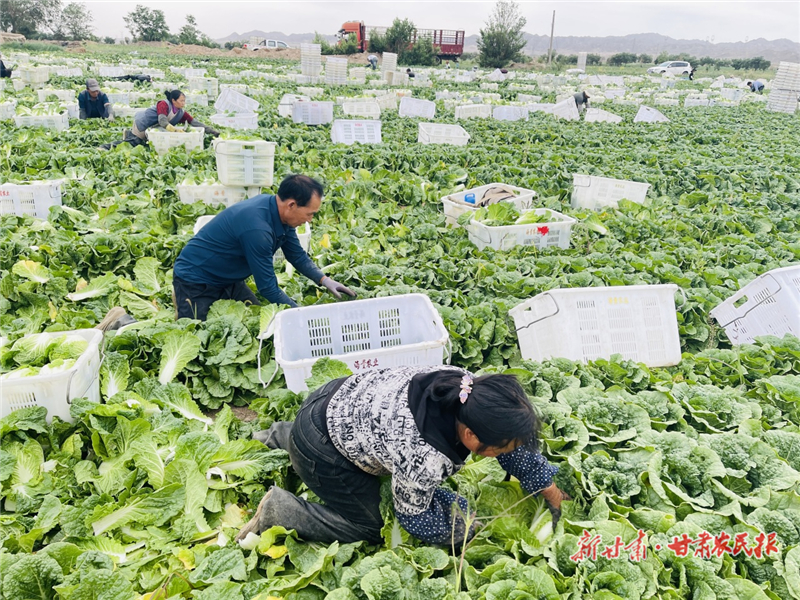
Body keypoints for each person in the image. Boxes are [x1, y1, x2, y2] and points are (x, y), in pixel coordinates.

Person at [236, 367, 569, 546]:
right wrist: (460, 532)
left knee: (320, 431)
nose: (508, 452)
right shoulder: (425, 457)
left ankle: (277, 435)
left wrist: (547, 487)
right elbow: (412, 515)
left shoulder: (465, 389)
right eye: (502, 447)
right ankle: (282, 511)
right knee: (370, 525)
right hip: (324, 448)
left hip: (332, 401)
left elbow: (511, 444)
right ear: (471, 436)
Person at [95, 175, 356, 330]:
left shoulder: (279, 214)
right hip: (196, 280)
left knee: (251, 321)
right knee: (196, 337)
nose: (310, 220)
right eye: (309, 213)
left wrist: (324, 280)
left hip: (227, 280)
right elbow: (268, 288)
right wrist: (301, 314)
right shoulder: (258, 228)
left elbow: (296, 255)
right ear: (291, 205)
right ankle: (123, 321)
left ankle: (186, 305)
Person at [103, 89, 219, 149]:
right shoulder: (163, 104)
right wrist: (175, 130)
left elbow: (194, 122)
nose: (184, 103)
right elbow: (162, 121)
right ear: (174, 101)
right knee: (134, 143)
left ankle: (128, 133)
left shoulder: (180, 113)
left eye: (184, 100)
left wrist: (212, 131)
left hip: (151, 128)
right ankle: (106, 147)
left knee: (143, 144)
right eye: (181, 101)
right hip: (143, 123)